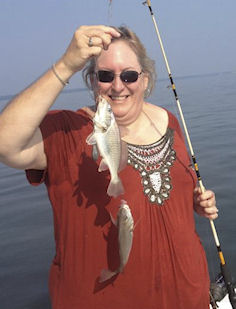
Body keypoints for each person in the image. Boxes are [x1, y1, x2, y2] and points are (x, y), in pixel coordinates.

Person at [0, 25, 218, 309]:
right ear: (92, 80)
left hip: (188, 294)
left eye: (128, 75)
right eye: (105, 76)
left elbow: (170, 195)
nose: (117, 85)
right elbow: (6, 144)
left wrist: (196, 202)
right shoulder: (65, 132)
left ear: (145, 79)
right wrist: (65, 65)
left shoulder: (169, 121)